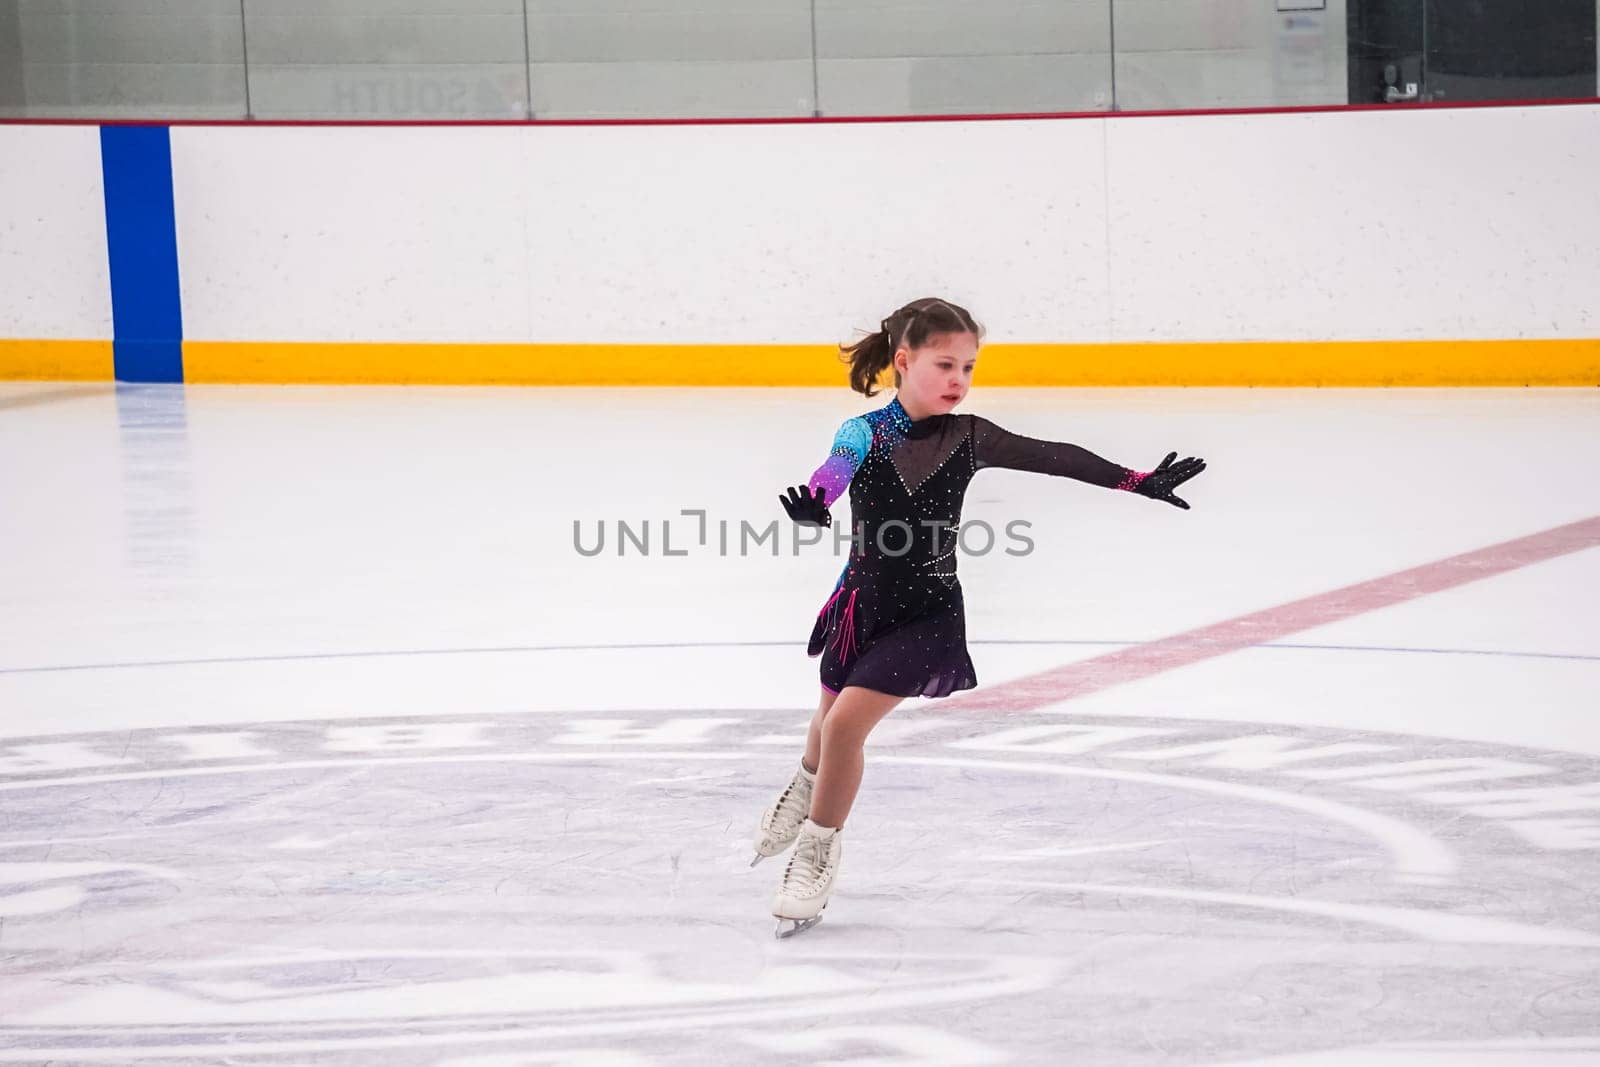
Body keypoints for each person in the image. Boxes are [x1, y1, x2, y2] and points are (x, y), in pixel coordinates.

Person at [757, 297, 1207, 938]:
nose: (958, 381)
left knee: (845, 727)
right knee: (825, 723)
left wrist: (1135, 480)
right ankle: (807, 788)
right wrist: (818, 503)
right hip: (861, 603)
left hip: (928, 613)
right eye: (945, 364)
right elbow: (834, 472)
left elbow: (1057, 455)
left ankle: (816, 852)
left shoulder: (969, 437)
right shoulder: (862, 432)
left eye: (968, 367)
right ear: (904, 360)